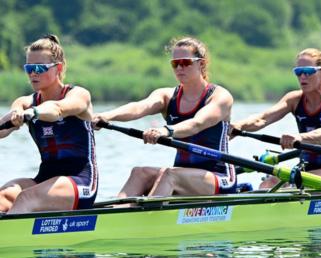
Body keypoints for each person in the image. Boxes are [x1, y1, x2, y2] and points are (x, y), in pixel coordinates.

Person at [93, 37, 236, 197]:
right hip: (182, 174)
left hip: (218, 177)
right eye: (175, 63)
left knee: (170, 175)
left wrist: (165, 131)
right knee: (140, 173)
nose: (179, 68)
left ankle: (147, 218)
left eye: (186, 62)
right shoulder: (167, 96)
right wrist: (105, 116)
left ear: (201, 64)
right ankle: (116, 216)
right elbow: (139, 107)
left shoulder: (220, 96)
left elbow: (197, 124)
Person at [0, 34, 98, 214]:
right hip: (44, 179)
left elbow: (57, 110)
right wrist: (16, 113)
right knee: (3, 195)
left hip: (79, 182)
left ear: (58, 68)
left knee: (26, 198)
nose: (33, 73)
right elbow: (4, 128)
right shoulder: (25, 102)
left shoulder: (78, 95)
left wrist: (34, 112)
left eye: (39, 68)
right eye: (29, 68)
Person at [231, 48, 321, 189]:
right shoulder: (294, 99)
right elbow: (262, 118)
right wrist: (238, 126)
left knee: (306, 181)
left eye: (308, 71)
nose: (302, 77)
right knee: (269, 183)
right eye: (298, 72)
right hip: (304, 171)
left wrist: (299, 137)